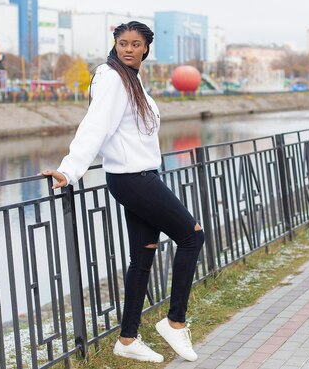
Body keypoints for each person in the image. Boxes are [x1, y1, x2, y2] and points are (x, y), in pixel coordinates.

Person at [41, 21, 204, 363]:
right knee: (192, 237)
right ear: (115, 44)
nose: (128, 48)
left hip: (138, 176)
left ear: (146, 49)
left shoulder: (132, 79)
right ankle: (175, 323)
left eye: (135, 44)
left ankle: (127, 340)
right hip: (134, 180)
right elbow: (94, 127)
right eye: (122, 43)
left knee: (143, 256)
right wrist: (70, 170)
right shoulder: (112, 78)